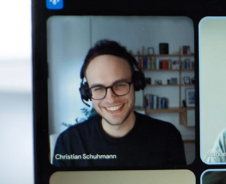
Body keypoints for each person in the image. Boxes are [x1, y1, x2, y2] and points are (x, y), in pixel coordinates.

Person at [53, 40, 187, 167]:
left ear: (136, 84)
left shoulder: (168, 136)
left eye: (120, 84)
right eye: (98, 88)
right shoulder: (68, 143)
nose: (111, 98)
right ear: (87, 93)